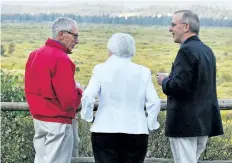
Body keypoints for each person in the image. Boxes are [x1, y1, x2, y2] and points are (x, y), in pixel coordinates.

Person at [81, 33, 161, 163]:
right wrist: (150, 123)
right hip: (137, 130)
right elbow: (155, 101)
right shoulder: (143, 71)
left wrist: (88, 116)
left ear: (111, 50)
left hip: (104, 129)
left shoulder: (100, 69)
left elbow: (88, 95)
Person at [157, 10, 224, 163]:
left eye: (173, 25)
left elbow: (179, 86)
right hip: (203, 122)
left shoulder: (186, 51)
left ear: (186, 27)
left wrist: (165, 80)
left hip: (185, 124)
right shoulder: (207, 50)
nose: (170, 29)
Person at [24, 17, 83, 163]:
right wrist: (79, 91)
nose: (77, 40)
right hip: (58, 122)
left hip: (38, 120)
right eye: (74, 35)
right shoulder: (61, 59)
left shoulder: (34, 54)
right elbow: (69, 101)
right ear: (61, 34)